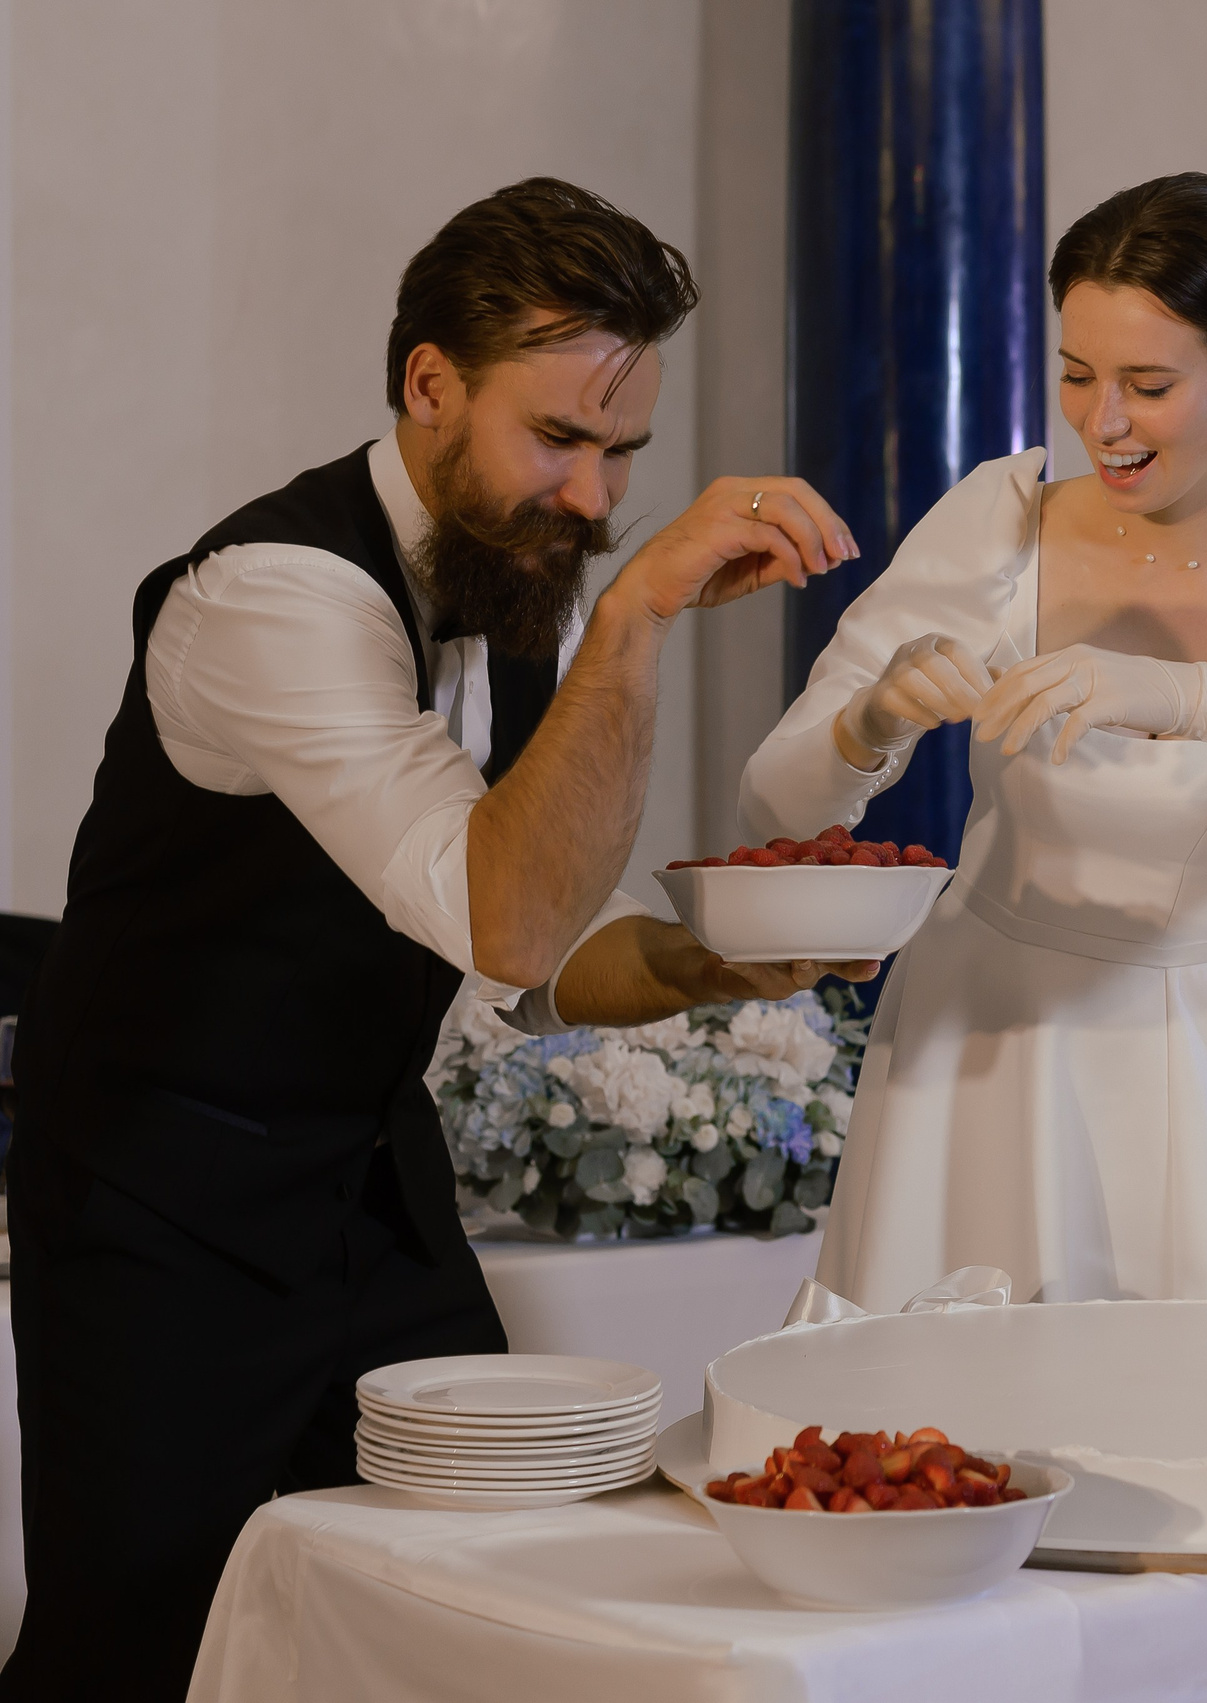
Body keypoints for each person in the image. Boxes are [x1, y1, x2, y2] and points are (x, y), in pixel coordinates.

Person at [2, 178, 867, 1701]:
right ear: (425, 384)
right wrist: (639, 617)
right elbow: (503, 901)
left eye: (622, 456)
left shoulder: (505, 577)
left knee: (479, 1593)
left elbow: (534, 956)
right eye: (560, 439)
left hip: (367, 1192)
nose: (597, 500)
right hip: (157, 1208)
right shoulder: (275, 592)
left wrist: (717, 961)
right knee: (140, 1643)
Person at [741, 172, 1207, 1313]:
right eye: (1075, 375)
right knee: (933, 1442)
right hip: (970, 1046)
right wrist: (872, 716)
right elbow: (773, 810)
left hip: (1185, 1071)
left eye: (1147, 385)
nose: (1099, 422)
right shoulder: (999, 522)